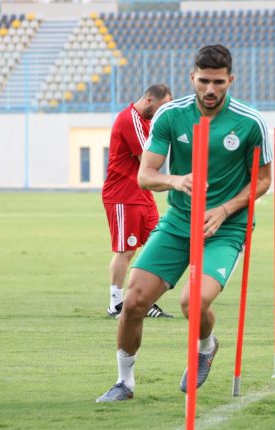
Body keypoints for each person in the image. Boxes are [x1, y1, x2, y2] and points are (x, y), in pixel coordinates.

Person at [96, 45, 272, 402]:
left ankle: (205, 347)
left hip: (226, 228)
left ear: (230, 80)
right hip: (178, 221)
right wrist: (175, 180)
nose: (210, 89)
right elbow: (145, 176)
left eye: (218, 82)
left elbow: (263, 180)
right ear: (192, 78)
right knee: (133, 301)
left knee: (192, 302)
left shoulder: (250, 122)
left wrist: (224, 209)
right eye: (203, 81)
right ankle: (124, 383)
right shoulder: (169, 117)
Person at [102, 84, 173, 319]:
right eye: (162, 108)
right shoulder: (130, 119)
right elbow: (148, 161)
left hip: (143, 194)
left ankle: (144, 300)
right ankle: (116, 304)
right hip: (123, 194)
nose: (163, 113)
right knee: (126, 250)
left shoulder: (147, 122)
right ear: (150, 100)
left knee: (157, 245)